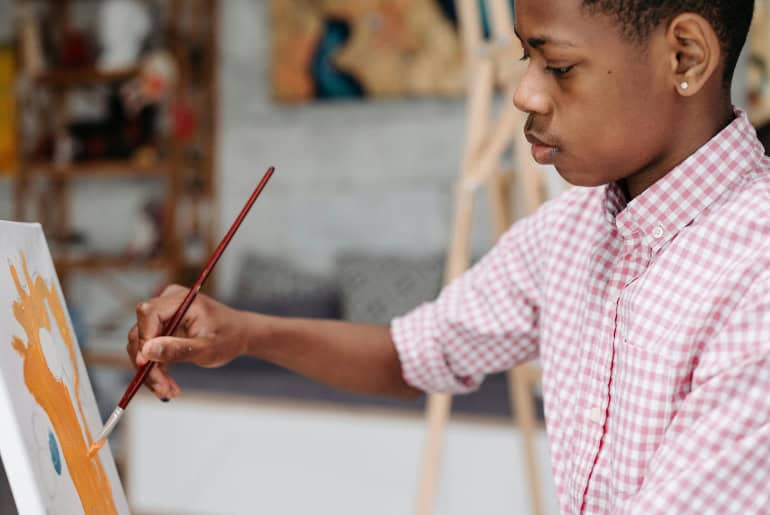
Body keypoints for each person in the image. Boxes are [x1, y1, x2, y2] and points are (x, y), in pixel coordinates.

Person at [127, 1, 768, 512]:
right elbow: (417, 355)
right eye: (525, 57)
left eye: (559, 66)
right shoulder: (569, 233)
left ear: (684, 56)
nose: (524, 93)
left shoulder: (756, 274)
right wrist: (244, 332)